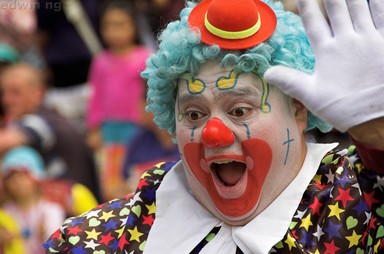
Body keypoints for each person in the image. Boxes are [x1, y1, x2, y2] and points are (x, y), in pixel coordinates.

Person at [44, 0, 384, 253]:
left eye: (239, 110)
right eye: (193, 115)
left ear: (297, 110)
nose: (213, 134)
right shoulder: (94, 240)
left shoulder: (363, 200)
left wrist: (377, 134)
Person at [0, 62, 100, 200]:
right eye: (4, 93)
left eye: (15, 93)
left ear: (38, 92)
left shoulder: (44, 120)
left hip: (76, 210)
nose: (7, 100)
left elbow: (5, 141)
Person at [86, 0, 152, 200]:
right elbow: (95, 95)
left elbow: (150, 93)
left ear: (134, 26)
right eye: (109, 25)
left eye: (121, 25)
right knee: (110, 182)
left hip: (136, 128)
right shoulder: (101, 61)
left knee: (134, 179)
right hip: (109, 132)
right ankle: (114, 221)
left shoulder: (145, 57)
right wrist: (94, 128)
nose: (114, 31)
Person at [0, 146, 65, 254]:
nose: (18, 182)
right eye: (12, 178)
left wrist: (46, 232)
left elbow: (56, 243)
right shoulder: (6, 211)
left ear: (36, 177)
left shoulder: (50, 208)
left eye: (23, 176)